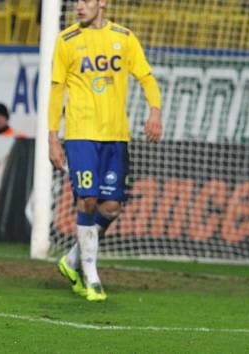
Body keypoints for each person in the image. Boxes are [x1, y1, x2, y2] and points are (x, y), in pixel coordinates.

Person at [48, 0, 162, 301]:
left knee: (111, 207)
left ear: (103, 3)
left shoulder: (124, 38)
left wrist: (155, 111)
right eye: (76, 2)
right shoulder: (67, 40)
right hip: (80, 134)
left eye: (85, 1)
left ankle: (71, 261)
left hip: (115, 137)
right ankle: (92, 276)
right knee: (87, 199)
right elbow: (56, 89)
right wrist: (52, 137)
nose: (78, 6)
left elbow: (146, 78)